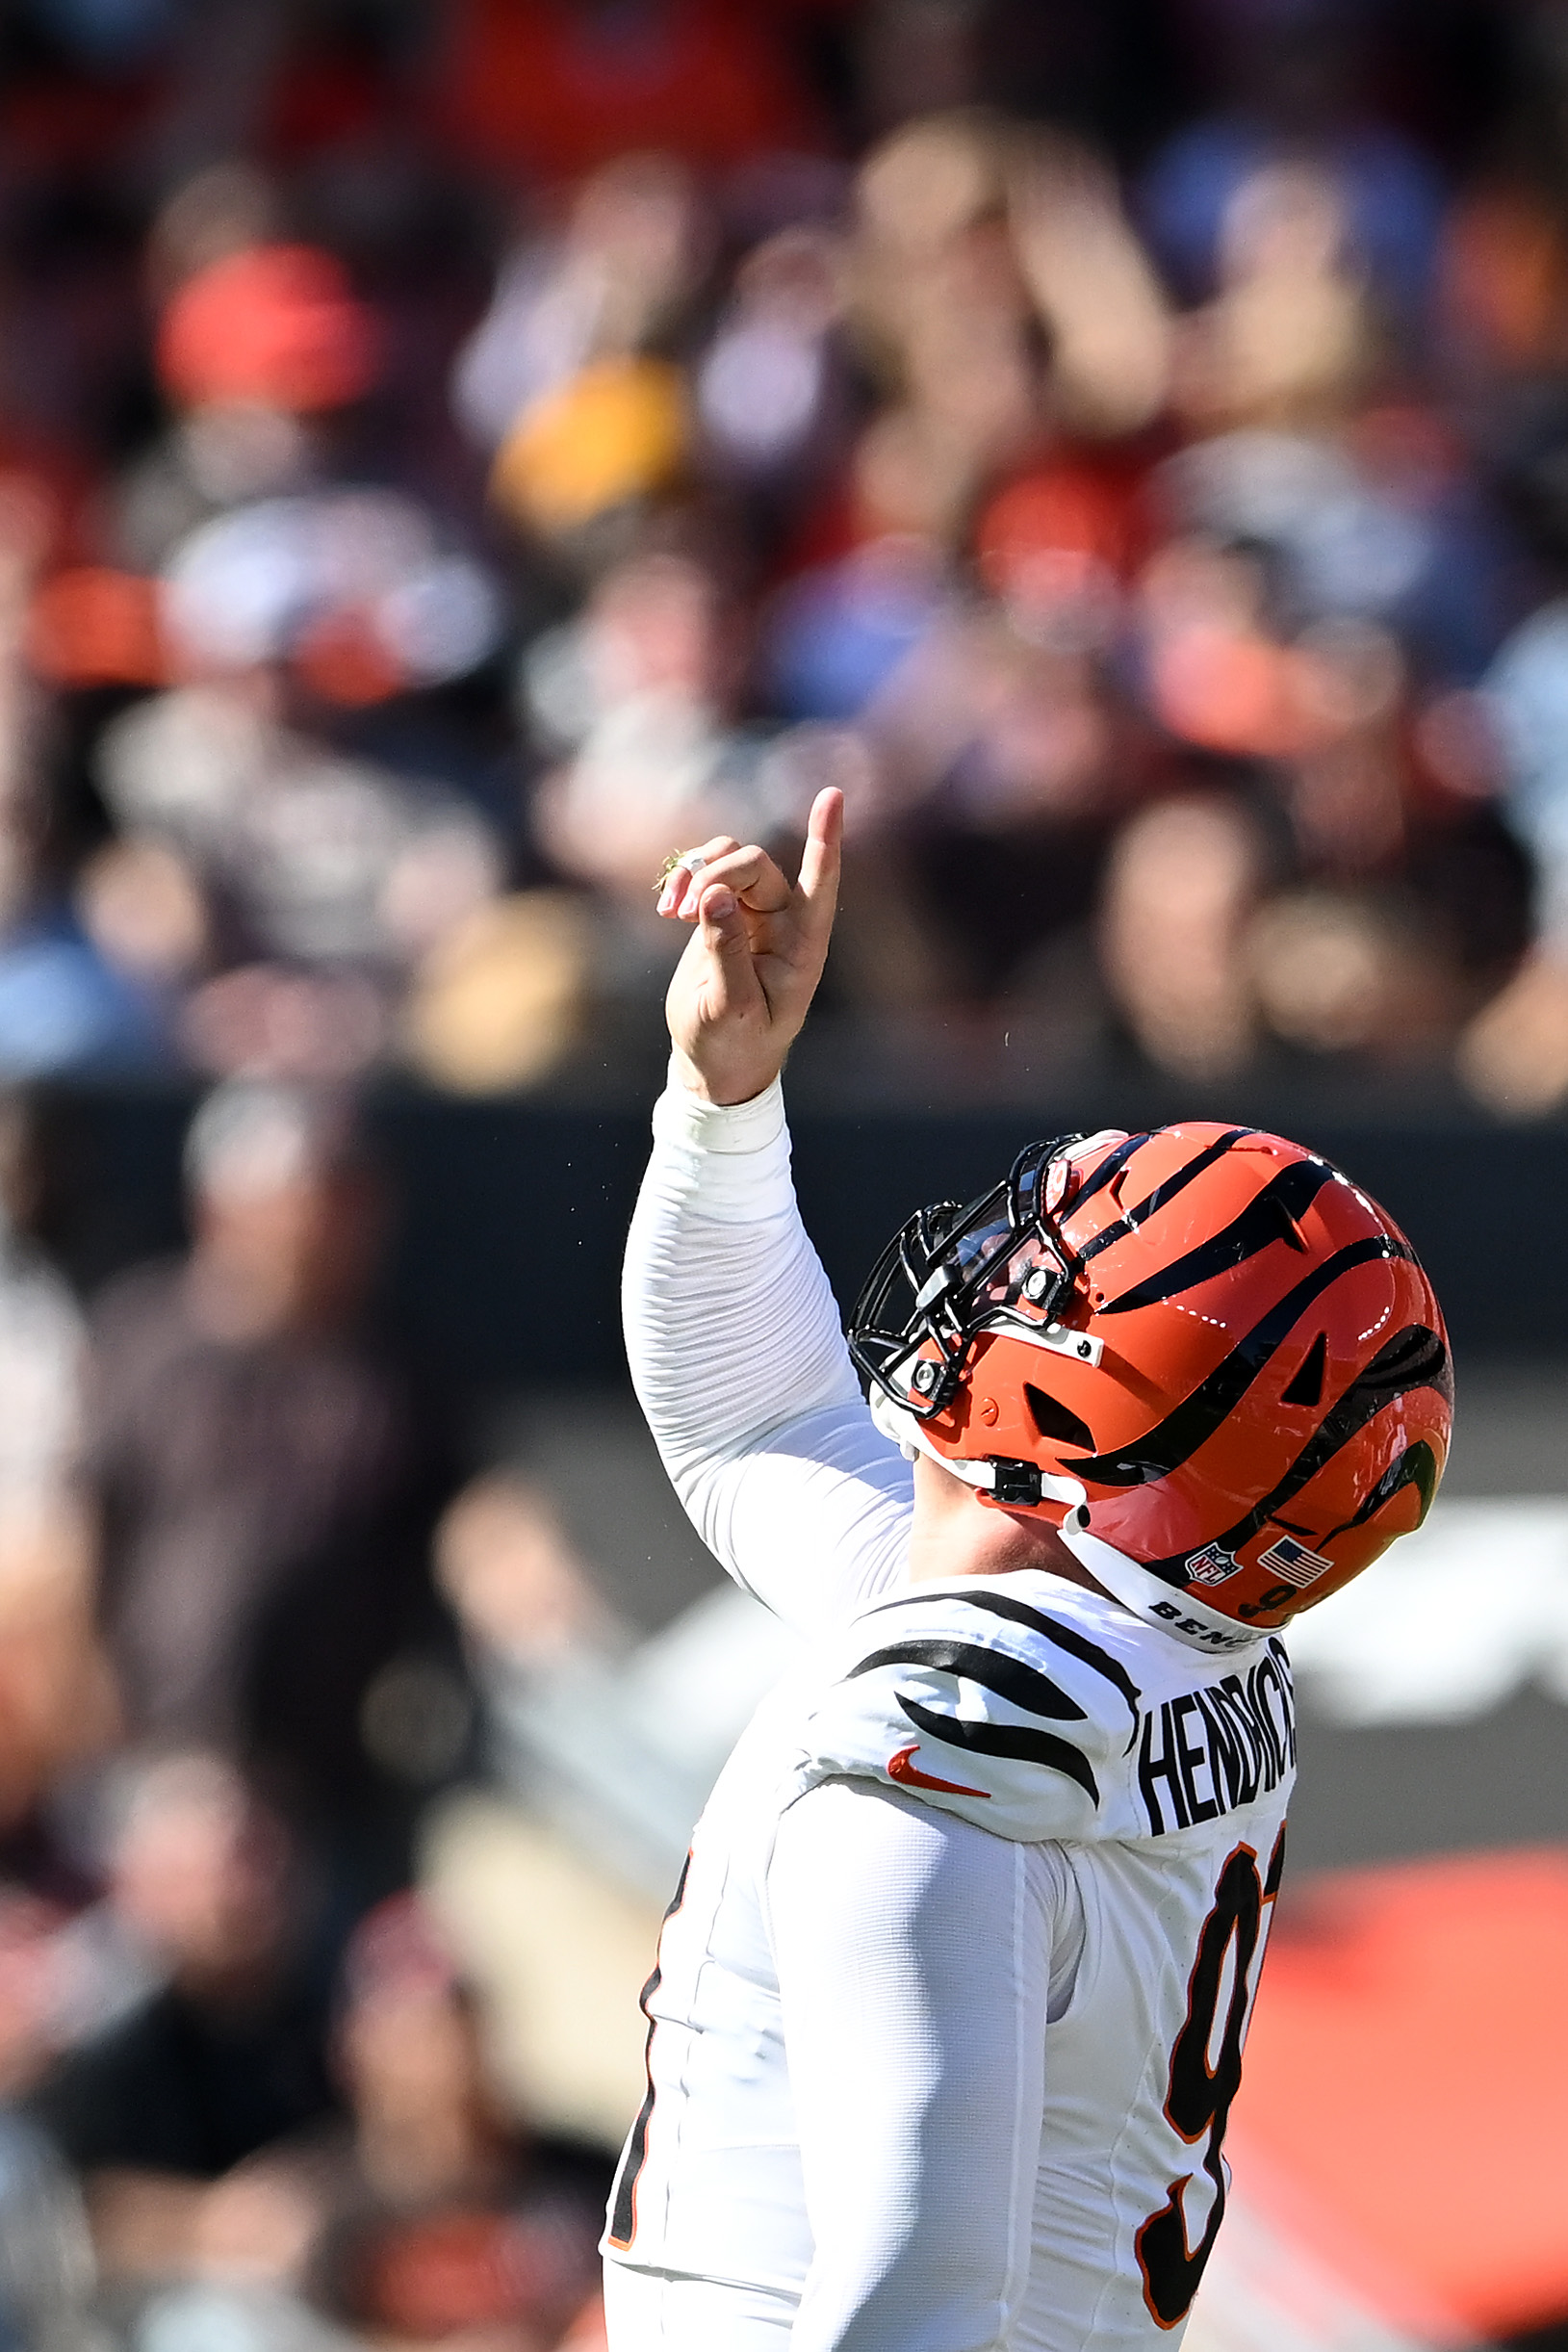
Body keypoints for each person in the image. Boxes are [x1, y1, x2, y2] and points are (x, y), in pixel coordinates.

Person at [602, 787, 1453, 2349]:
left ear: (1091, 1398)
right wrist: (721, 1101)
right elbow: (753, 1418)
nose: (989, 1268)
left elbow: (921, 2302)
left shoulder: (954, 1732)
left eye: (1045, 1268)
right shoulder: (1117, 1632)